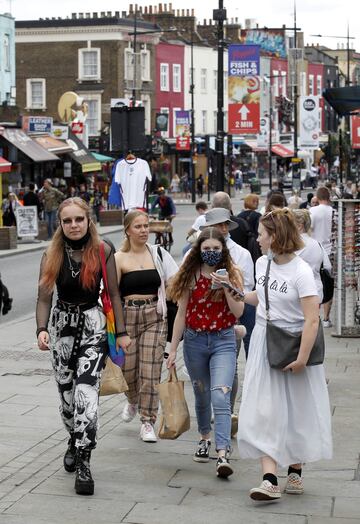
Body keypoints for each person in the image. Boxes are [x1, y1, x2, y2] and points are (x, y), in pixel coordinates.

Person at [36, 197, 131, 496]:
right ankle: (72, 438)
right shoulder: (50, 253)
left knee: (86, 395)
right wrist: (41, 329)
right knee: (67, 400)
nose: (74, 225)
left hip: (93, 327)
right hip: (61, 328)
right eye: (67, 221)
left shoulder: (103, 250)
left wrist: (123, 332)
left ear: (89, 221)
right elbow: (43, 298)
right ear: (60, 224)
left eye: (79, 219)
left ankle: (84, 461)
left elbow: (115, 293)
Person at [237, 207, 332, 501]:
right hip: (265, 341)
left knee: (297, 410)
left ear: (276, 236)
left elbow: (312, 318)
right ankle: (268, 479)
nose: (258, 239)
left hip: (293, 343)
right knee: (265, 409)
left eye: (263, 234)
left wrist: (303, 358)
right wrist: (236, 292)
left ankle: (294, 471)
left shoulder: (302, 272)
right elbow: (261, 299)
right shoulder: (262, 263)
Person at [167, 227, 244, 477]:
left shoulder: (232, 274)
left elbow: (238, 312)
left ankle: (223, 453)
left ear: (223, 250)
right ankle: (204, 438)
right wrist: (172, 349)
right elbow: (181, 313)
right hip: (194, 341)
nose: (211, 253)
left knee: (220, 396)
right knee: (201, 395)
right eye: (206, 249)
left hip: (223, 339)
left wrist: (225, 287)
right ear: (198, 250)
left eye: (216, 249)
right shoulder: (190, 275)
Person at [114, 210, 178, 442]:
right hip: (128, 316)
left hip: (154, 315)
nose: (143, 230)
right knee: (128, 370)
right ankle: (132, 399)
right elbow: (111, 294)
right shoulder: (119, 258)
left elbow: (175, 281)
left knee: (150, 371)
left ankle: (147, 421)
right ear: (128, 230)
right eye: (138, 226)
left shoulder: (158, 253)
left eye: (146, 226)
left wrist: (172, 290)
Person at [293, 209, 332, 304]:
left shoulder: (294, 244)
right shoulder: (317, 244)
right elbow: (328, 267)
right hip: (316, 291)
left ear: (299, 226)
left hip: (297, 293)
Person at [309, 187, 333, 327]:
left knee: (314, 282)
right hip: (331, 250)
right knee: (329, 283)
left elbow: (308, 229)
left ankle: (314, 313)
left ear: (317, 198)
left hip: (316, 250)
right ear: (328, 197)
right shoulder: (334, 211)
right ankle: (326, 318)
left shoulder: (313, 211)